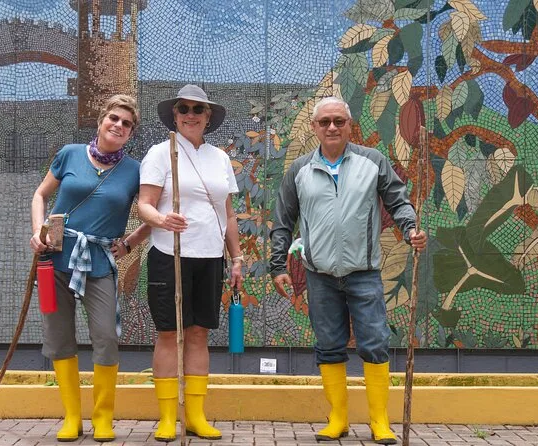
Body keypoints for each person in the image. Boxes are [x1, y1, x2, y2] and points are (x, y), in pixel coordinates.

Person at [269, 96, 427, 445]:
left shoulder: (373, 162)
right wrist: (278, 264)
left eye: (339, 121)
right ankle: (338, 418)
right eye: (325, 121)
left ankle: (379, 421)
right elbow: (283, 221)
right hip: (319, 274)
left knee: (375, 343)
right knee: (328, 345)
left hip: (364, 272)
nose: (332, 127)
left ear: (350, 125)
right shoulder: (299, 170)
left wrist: (410, 229)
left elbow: (398, 201)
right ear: (314, 127)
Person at [30, 94, 150, 442]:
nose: (118, 126)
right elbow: (40, 195)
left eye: (127, 124)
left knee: (106, 337)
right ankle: (71, 418)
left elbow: (151, 214)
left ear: (131, 133)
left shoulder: (135, 171)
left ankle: (103, 419)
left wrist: (129, 243)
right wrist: (37, 231)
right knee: (59, 336)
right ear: (100, 121)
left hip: (98, 263)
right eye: (114, 118)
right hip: (54, 259)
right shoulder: (69, 154)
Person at [137, 84, 243, 442]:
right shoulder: (160, 153)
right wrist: (161, 219)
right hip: (170, 254)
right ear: (175, 114)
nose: (191, 115)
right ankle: (169, 417)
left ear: (208, 116)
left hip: (210, 256)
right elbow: (144, 204)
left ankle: (195, 416)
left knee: (199, 334)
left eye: (198, 109)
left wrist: (237, 257)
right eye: (184, 109)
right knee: (169, 334)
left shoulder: (220, 158)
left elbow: (228, 215)